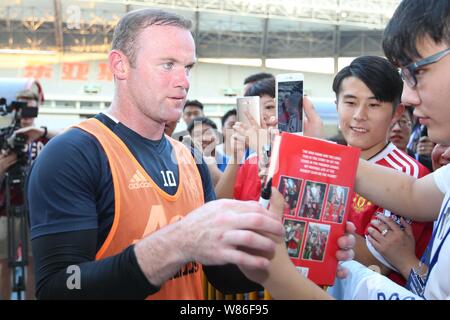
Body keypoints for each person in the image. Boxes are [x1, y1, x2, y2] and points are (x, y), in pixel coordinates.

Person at [26, 9, 287, 300]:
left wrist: (290, 246)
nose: (184, 81)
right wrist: (175, 244)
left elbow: (220, 274)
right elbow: (60, 287)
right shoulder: (73, 154)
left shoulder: (190, 157)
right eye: (167, 65)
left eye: (187, 67)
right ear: (120, 65)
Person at [243, 0, 450, 300]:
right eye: (350, 102)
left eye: (417, 71)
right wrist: (311, 150)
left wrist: (280, 276)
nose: (409, 95)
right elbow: (413, 194)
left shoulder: (405, 166)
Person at [332, 55, 432, 286]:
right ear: (336, 104)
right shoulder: (327, 162)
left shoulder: (408, 176)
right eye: (350, 102)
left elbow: (374, 264)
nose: (359, 115)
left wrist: (306, 213)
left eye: (374, 104)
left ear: (397, 113)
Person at [0, 89, 57, 300]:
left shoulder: (45, 137)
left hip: (38, 212)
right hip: (6, 210)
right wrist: (5, 162)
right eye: (22, 107)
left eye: (30, 107)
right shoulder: (5, 137)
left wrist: (39, 131)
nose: (26, 113)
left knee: (36, 262)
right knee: (4, 264)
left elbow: (71, 135)